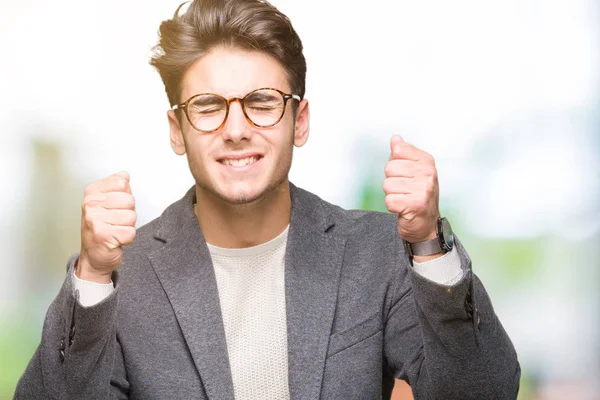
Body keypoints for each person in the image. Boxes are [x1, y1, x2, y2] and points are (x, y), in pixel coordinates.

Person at [15, 0, 520, 399]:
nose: (237, 130)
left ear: (299, 122)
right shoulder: (124, 274)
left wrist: (429, 244)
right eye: (209, 106)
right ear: (177, 130)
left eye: (261, 103)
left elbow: (484, 391)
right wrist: (93, 276)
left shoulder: (375, 252)